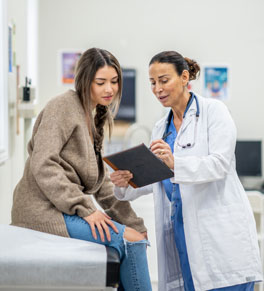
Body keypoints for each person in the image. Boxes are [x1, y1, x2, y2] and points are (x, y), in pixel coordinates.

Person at [110, 51, 263, 291]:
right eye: (152, 82)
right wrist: (125, 181)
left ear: (184, 77)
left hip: (219, 237)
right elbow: (158, 178)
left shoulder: (214, 111)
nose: (157, 88)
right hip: (182, 235)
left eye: (163, 80)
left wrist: (174, 163)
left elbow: (220, 164)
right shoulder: (161, 128)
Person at [11, 48, 152, 291]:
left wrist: (134, 222)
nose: (110, 89)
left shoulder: (95, 115)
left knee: (136, 236)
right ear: (86, 81)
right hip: (41, 211)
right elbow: (43, 163)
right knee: (131, 243)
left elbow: (103, 186)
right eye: (101, 82)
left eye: (114, 81)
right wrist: (85, 209)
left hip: (63, 207)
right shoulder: (63, 107)